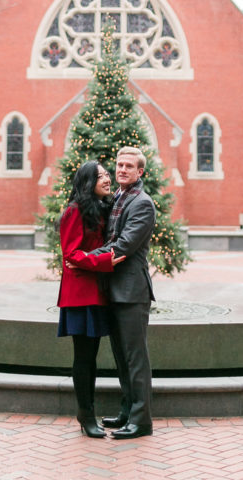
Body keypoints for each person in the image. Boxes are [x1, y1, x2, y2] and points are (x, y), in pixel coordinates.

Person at [57, 161, 124, 438]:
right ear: (87, 181)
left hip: (96, 292)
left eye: (107, 174)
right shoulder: (74, 211)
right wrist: (104, 262)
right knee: (84, 357)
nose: (107, 178)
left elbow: (83, 256)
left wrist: (93, 261)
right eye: (101, 176)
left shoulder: (102, 208)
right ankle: (86, 416)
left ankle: (88, 412)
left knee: (92, 357)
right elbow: (70, 254)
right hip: (80, 296)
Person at [97, 146, 156, 440]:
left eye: (129, 166)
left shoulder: (142, 204)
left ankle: (141, 421)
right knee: (121, 357)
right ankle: (126, 412)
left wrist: (85, 257)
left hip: (132, 292)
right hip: (114, 290)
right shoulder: (118, 198)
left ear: (140, 172)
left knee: (136, 359)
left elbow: (122, 246)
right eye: (119, 165)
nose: (121, 170)